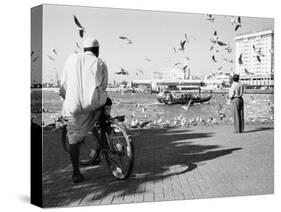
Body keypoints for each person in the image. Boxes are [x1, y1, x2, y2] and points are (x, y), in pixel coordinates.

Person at [59, 37, 111, 183]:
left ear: (84, 50)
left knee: (73, 139)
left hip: (73, 107)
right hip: (92, 105)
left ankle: (76, 173)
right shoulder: (100, 62)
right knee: (104, 108)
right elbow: (103, 85)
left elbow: (63, 84)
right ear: (97, 50)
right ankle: (104, 142)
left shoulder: (71, 59)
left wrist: (67, 97)